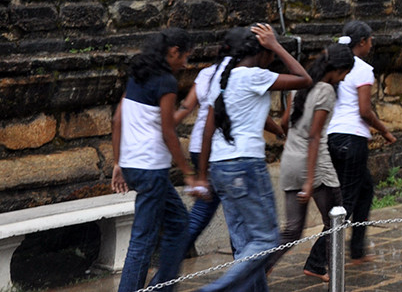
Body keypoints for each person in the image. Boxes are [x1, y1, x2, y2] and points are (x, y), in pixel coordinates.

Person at [194, 24, 311, 292]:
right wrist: (276, 46)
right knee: (266, 239)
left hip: (220, 167)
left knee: (246, 241)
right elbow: (304, 79)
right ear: (261, 51)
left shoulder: (222, 80)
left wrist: (202, 175)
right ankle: (215, 290)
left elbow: (207, 132)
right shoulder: (254, 76)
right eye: (267, 49)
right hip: (246, 165)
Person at [111, 28, 196, 292]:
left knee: (180, 224)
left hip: (133, 165)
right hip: (150, 169)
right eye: (184, 57)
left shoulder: (139, 74)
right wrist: (187, 171)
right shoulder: (166, 82)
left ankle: (162, 286)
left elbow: (117, 119)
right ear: (173, 52)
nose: (185, 63)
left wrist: (118, 163)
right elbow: (168, 130)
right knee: (143, 241)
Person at [266, 43, 355, 282]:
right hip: (316, 167)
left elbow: (285, 123)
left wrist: (291, 142)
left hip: (290, 161)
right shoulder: (326, 90)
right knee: (335, 221)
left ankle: (259, 267)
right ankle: (332, 276)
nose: (345, 78)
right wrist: (308, 182)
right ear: (337, 69)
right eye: (345, 72)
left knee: (292, 230)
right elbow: (315, 135)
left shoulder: (300, 86)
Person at [327, 20, 396, 263]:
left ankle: (357, 248)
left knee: (364, 189)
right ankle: (319, 258)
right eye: (370, 40)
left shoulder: (332, 63)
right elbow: (364, 111)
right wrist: (385, 131)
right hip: (352, 138)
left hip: (332, 136)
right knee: (347, 200)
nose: (372, 44)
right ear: (363, 42)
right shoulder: (362, 68)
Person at [180, 26, 249, 255]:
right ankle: (175, 250)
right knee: (231, 207)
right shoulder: (240, 74)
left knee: (214, 205)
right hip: (218, 148)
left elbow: (187, 106)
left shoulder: (207, 73)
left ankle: (177, 249)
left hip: (199, 146)